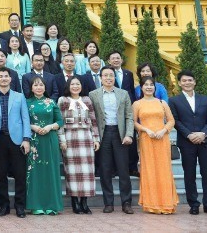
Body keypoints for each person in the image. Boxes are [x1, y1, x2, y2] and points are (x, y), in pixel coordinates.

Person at [168, 70, 207, 216]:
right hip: (187, 142)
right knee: (189, 174)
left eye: (190, 80)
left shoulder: (206, 99)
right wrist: (189, 135)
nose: (187, 83)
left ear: (194, 82)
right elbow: (176, 121)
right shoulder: (174, 101)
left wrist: (203, 133)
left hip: (205, 141)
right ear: (179, 83)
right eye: (184, 81)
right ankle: (194, 204)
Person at [89, 66, 134, 214]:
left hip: (120, 133)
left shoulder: (123, 94)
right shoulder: (93, 94)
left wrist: (129, 134)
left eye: (111, 75)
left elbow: (129, 116)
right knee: (105, 170)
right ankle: (108, 203)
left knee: (123, 170)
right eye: (105, 75)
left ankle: (126, 202)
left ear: (115, 78)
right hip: (103, 134)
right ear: (100, 78)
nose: (108, 78)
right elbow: (91, 117)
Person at [0, 68, 31, 218]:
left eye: (6, 76)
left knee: (20, 175)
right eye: (1, 76)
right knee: (0, 174)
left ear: (11, 79)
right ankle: (3, 206)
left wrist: (26, 139)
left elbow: (25, 118)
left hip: (17, 140)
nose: (4, 79)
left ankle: (20, 206)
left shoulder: (19, 97)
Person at [133, 76, 178, 214]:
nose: (148, 87)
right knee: (149, 170)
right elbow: (134, 122)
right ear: (141, 87)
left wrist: (164, 130)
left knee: (163, 170)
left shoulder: (162, 102)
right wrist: (145, 129)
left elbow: (171, 121)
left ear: (155, 87)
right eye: (145, 84)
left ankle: (166, 203)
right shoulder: (137, 104)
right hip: (146, 139)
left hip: (162, 139)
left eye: (151, 84)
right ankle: (152, 203)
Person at [57, 76, 100, 214]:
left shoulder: (87, 100)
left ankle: (84, 202)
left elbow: (93, 120)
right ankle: (75, 201)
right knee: (72, 172)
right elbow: (60, 121)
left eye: (78, 84)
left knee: (87, 172)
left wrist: (96, 138)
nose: (75, 86)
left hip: (86, 138)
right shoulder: (63, 101)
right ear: (68, 86)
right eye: (72, 84)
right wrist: (62, 139)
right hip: (70, 138)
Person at [25, 77, 63, 215]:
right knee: (36, 172)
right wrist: (32, 126)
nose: (39, 87)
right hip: (34, 141)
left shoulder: (51, 102)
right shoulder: (26, 102)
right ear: (31, 88)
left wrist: (50, 127)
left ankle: (52, 205)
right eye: (36, 85)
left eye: (41, 84)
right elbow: (22, 119)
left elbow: (60, 121)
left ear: (45, 87)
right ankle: (36, 205)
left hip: (50, 139)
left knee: (51, 171)